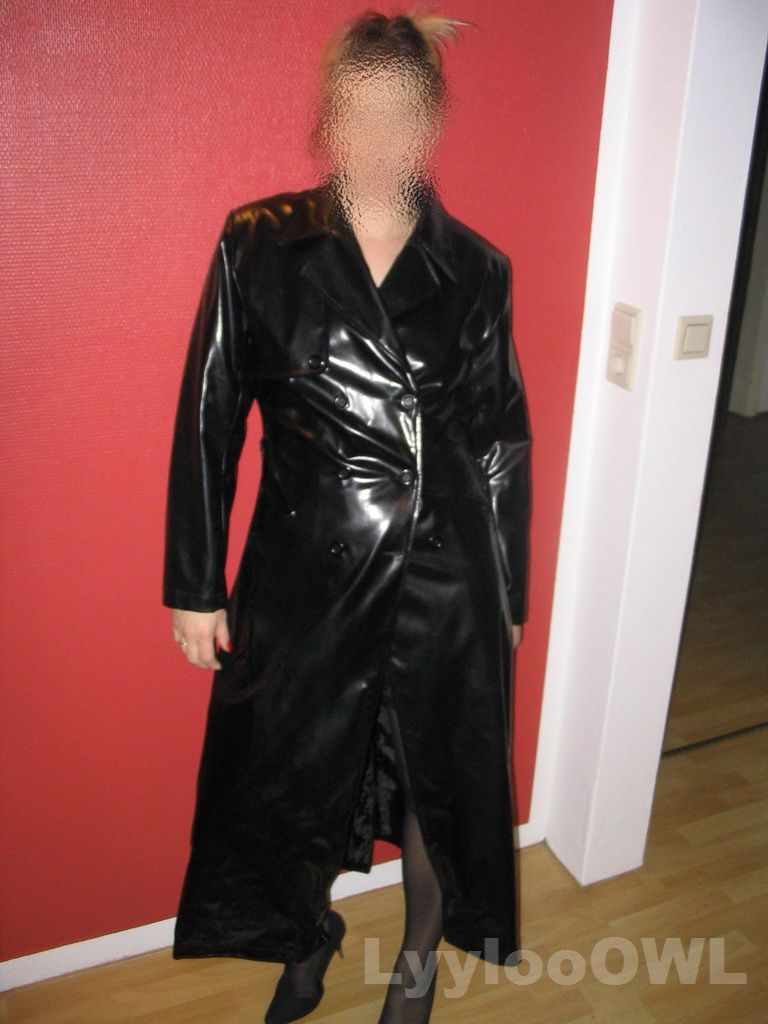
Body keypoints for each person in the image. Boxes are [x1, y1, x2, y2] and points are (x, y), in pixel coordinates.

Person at [163, 10, 532, 1024]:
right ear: (331, 116)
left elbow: (501, 441)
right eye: (361, 111)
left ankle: (417, 961)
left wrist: (509, 592)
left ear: (430, 124)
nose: (379, 135)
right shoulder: (259, 242)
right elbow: (209, 416)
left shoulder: (478, 270)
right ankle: (305, 935)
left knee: (433, 780)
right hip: (304, 575)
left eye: (400, 114)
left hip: (444, 575)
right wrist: (194, 585)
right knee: (297, 772)